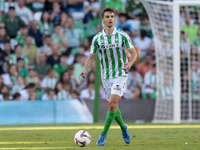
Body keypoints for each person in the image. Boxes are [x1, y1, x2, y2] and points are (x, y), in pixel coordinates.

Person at [79, 7, 137, 146]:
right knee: (113, 107)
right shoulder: (97, 38)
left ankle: (103, 134)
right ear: (103, 20)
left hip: (120, 73)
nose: (110, 18)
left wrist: (129, 64)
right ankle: (124, 128)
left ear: (114, 19)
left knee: (112, 103)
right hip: (106, 76)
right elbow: (91, 56)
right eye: (107, 16)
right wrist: (85, 70)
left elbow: (133, 53)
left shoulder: (122, 35)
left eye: (112, 16)